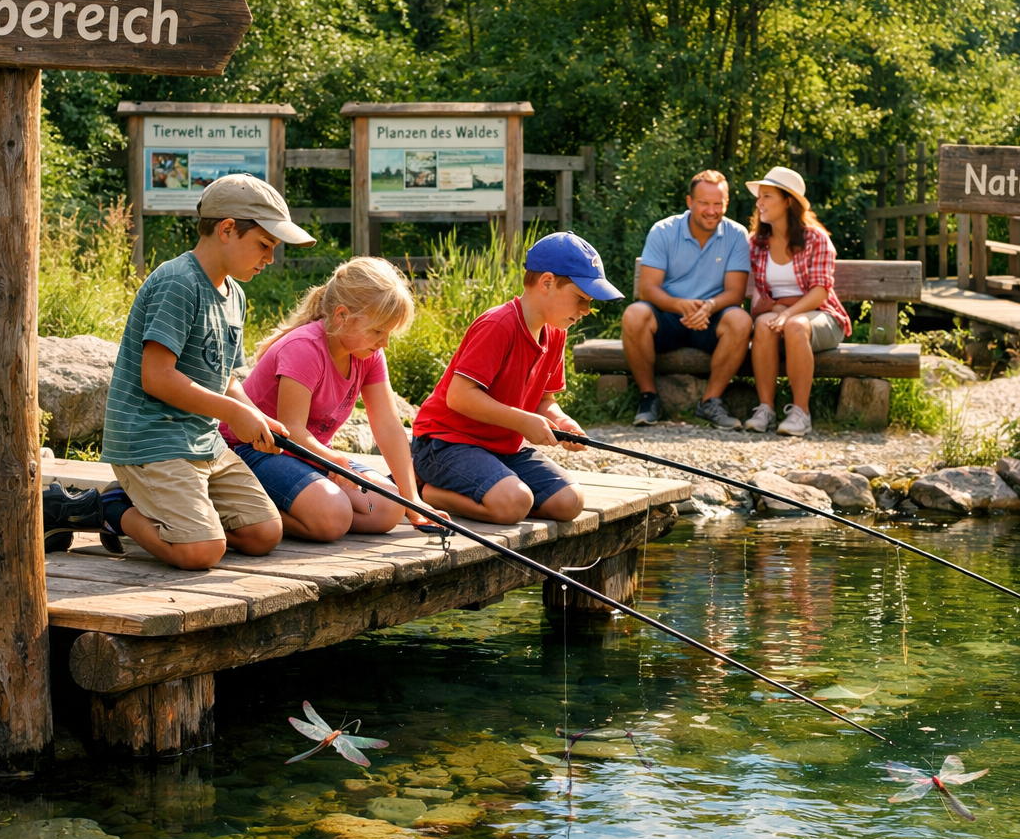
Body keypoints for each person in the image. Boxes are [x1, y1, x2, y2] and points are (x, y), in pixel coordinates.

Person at [96, 174, 314, 571]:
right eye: (264, 245)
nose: (269, 258)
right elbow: (156, 377)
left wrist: (258, 416)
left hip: (203, 441)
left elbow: (227, 376)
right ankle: (111, 507)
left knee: (264, 533)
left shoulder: (237, 295)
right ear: (227, 229)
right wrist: (233, 414)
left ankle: (162, 507)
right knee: (202, 551)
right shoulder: (178, 282)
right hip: (151, 439)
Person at [222, 257, 447, 541]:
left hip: (311, 455)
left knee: (390, 507)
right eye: (379, 331)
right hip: (258, 450)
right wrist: (332, 461)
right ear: (342, 315)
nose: (385, 342)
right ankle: (251, 512)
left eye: (389, 333)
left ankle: (316, 506)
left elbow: (389, 425)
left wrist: (412, 500)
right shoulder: (304, 350)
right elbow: (293, 431)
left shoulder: (369, 353)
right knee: (333, 517)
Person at [411, 232, 624, 524]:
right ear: (547, 283)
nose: (586, 311)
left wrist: (561, 422)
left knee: (570, 502)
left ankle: (493, 490)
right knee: (515, 503)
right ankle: (427, 491)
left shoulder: (556, 333)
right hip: (445, 443)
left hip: (502, 446)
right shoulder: (499, 325)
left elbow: (544, 400)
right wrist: (523, 422)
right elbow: (459, 396)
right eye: (581, 299)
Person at [622, 170, 752, 429]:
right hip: (668, 314)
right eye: (704, 203)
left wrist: (709, 306)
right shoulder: (663, 231)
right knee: (634, 315)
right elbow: (648, 288)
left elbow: (735, 292)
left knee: (741, 319)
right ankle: (649, 398)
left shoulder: (737, 234)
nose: (711, 210)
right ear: (690, 202)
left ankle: (710, 401)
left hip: (712, 316)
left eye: (718, 204)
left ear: (726, 204)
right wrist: (681, 305)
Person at [744, 166, 851, 437]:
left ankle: (801, 413)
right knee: (764, 325)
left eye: (767, 196)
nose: (759, 203)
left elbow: (820, 292)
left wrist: (788, 311)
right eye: (759, 197)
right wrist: (777, 309)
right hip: (779, 312)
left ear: (788, 201)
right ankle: (766, 409)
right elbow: (757, 295)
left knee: (794, 325)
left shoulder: (816, 239)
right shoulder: (757, 243)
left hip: (822, 316)